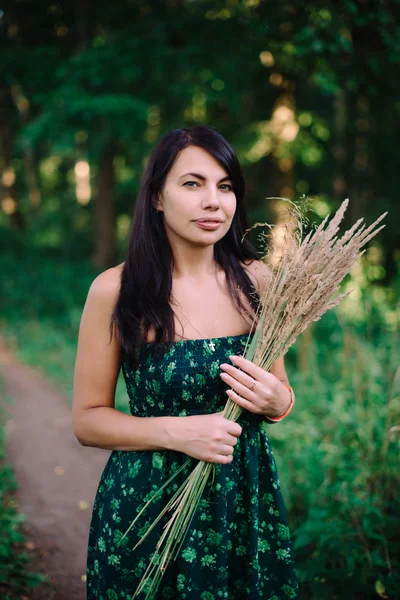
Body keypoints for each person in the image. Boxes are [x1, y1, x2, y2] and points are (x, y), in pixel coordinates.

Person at [73, 125, 299, 599]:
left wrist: (278, 400)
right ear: (157, 197)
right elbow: (88, 422)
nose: (213, 202)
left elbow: (280, 396)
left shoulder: (258, 282)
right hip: (147, 507)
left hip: (242, 503)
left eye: (225, 186)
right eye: (192, 184)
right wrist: (179, 432)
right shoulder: (116, 291)